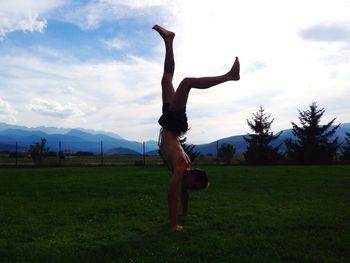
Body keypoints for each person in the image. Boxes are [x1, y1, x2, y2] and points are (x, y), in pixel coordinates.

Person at [153, 24, 240, 231]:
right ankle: (230, 77)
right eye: (194, 186)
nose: (190, 189)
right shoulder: (183, 166)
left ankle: (169, 40)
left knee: (167, 79)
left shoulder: (184, 172)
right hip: (174, 125)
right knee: (187, 83)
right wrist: (174, 224)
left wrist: (184, 214)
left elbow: (181, 192)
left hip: (169, 123)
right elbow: (171, 193)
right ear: (193, 176)